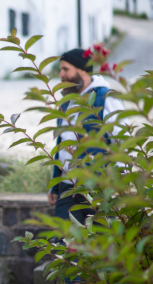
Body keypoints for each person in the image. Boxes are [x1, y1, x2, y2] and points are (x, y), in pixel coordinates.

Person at [47, 48, 125, 222]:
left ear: (82, 71)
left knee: (99, 245)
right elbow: (62, 145)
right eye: (61, 69)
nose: (61, 75)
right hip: (67, 191)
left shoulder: (106, 99)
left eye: (66, 69)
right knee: (62, 244)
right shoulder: (67, 102)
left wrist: (120, 184)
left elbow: (121, 144)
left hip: (99, 191)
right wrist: (55, 184)